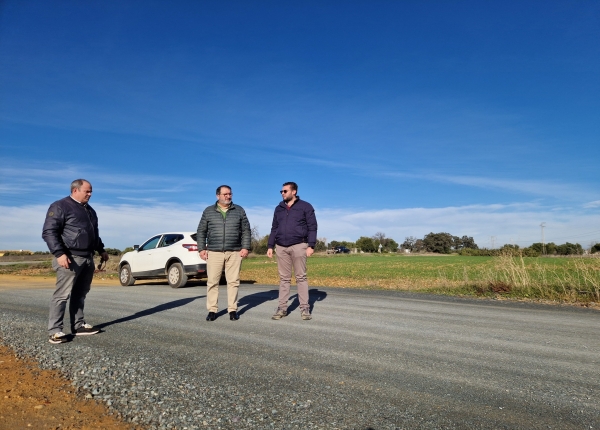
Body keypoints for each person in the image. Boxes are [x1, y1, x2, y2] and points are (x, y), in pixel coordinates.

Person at [42, 179, 109, 344]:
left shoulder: (90, 211)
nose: (90, 194)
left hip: (87, 257)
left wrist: (101, 249)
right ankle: (55, 330)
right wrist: (59, 253)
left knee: (80, 294)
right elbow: (49, 232)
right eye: (87, 191)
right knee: (62, 295)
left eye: (91, 191)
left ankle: (78, 326)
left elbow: (94, 233)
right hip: (69, 258)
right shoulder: (60, 206)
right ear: (75, 190)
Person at [196, 185, 251, 321]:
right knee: (213, 282)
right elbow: (201, 231)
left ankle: (232, 310)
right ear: (218, 196)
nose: (228, 196)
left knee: (233, 282)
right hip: (214, 252)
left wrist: (245, 247)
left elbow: (246, 231)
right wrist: (202, 248)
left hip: (234, 251)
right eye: (225, 194)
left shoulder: (239, 210)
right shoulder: (208, 211)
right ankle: (212, 310)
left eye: (230, 194)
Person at [267, 182, 318, 320]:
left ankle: (305, 308)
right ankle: (282, 308)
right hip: (281, 247)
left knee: (301, 277)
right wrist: (270, 246)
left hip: (299, 245)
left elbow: (312, 227)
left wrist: (311, 245)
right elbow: (274, 228)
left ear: (293, 192)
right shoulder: (279, 209)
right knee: (284, 279)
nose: (282, 193)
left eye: (285, 191)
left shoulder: (305, 207)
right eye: (281, 191)